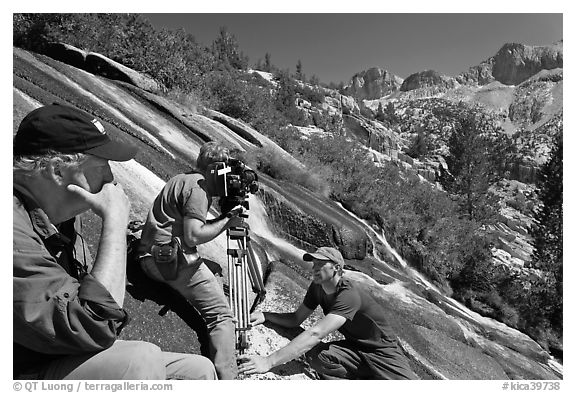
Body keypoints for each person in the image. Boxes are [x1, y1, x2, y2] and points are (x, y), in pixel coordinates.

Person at [13, 103, 216, 380]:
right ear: (58, 171)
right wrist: (115, 222)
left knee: (198, 371)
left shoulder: (64, 217)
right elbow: (95, 323)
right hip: (22, 368)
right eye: (100, 167)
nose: (110, 178)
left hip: (60, 351)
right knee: (139, 362)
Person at [136, 141, 245, 380]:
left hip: (150, 254)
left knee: (212, 269)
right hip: (168, 263)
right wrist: (228, 220)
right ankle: (229, 379)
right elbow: (193, 235)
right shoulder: (199, 188)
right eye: (225, 171)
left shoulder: (182, 178)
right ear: (217, 169)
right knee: (222, 316)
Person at [237, 247, 418, 380]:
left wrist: (268, 362)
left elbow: (316, 333)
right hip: (355, 348)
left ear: (337, 269)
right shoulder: (317, 287)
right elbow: (295, 319)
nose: (314, 268)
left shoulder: (349, 295)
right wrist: (267, 316)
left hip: (383, 352)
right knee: (318, 358)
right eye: (313, 263)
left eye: (321, 264)